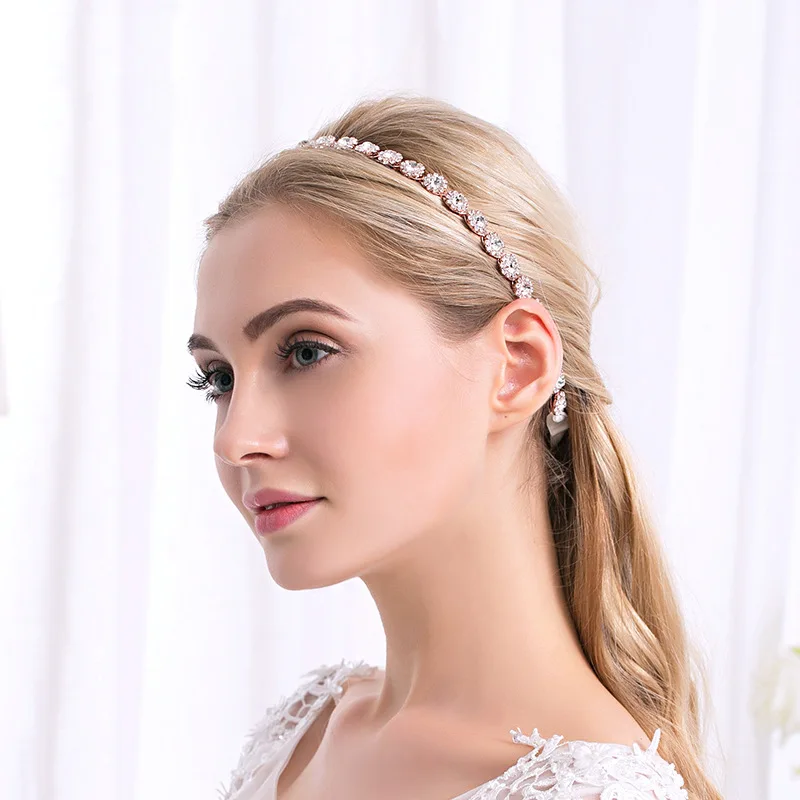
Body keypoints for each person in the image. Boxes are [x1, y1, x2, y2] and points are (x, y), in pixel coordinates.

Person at [187, 93, 722, 799]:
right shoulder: (305, 731)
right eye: (218, 379)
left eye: (307, 352)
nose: (236, 438)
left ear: (518, 366)